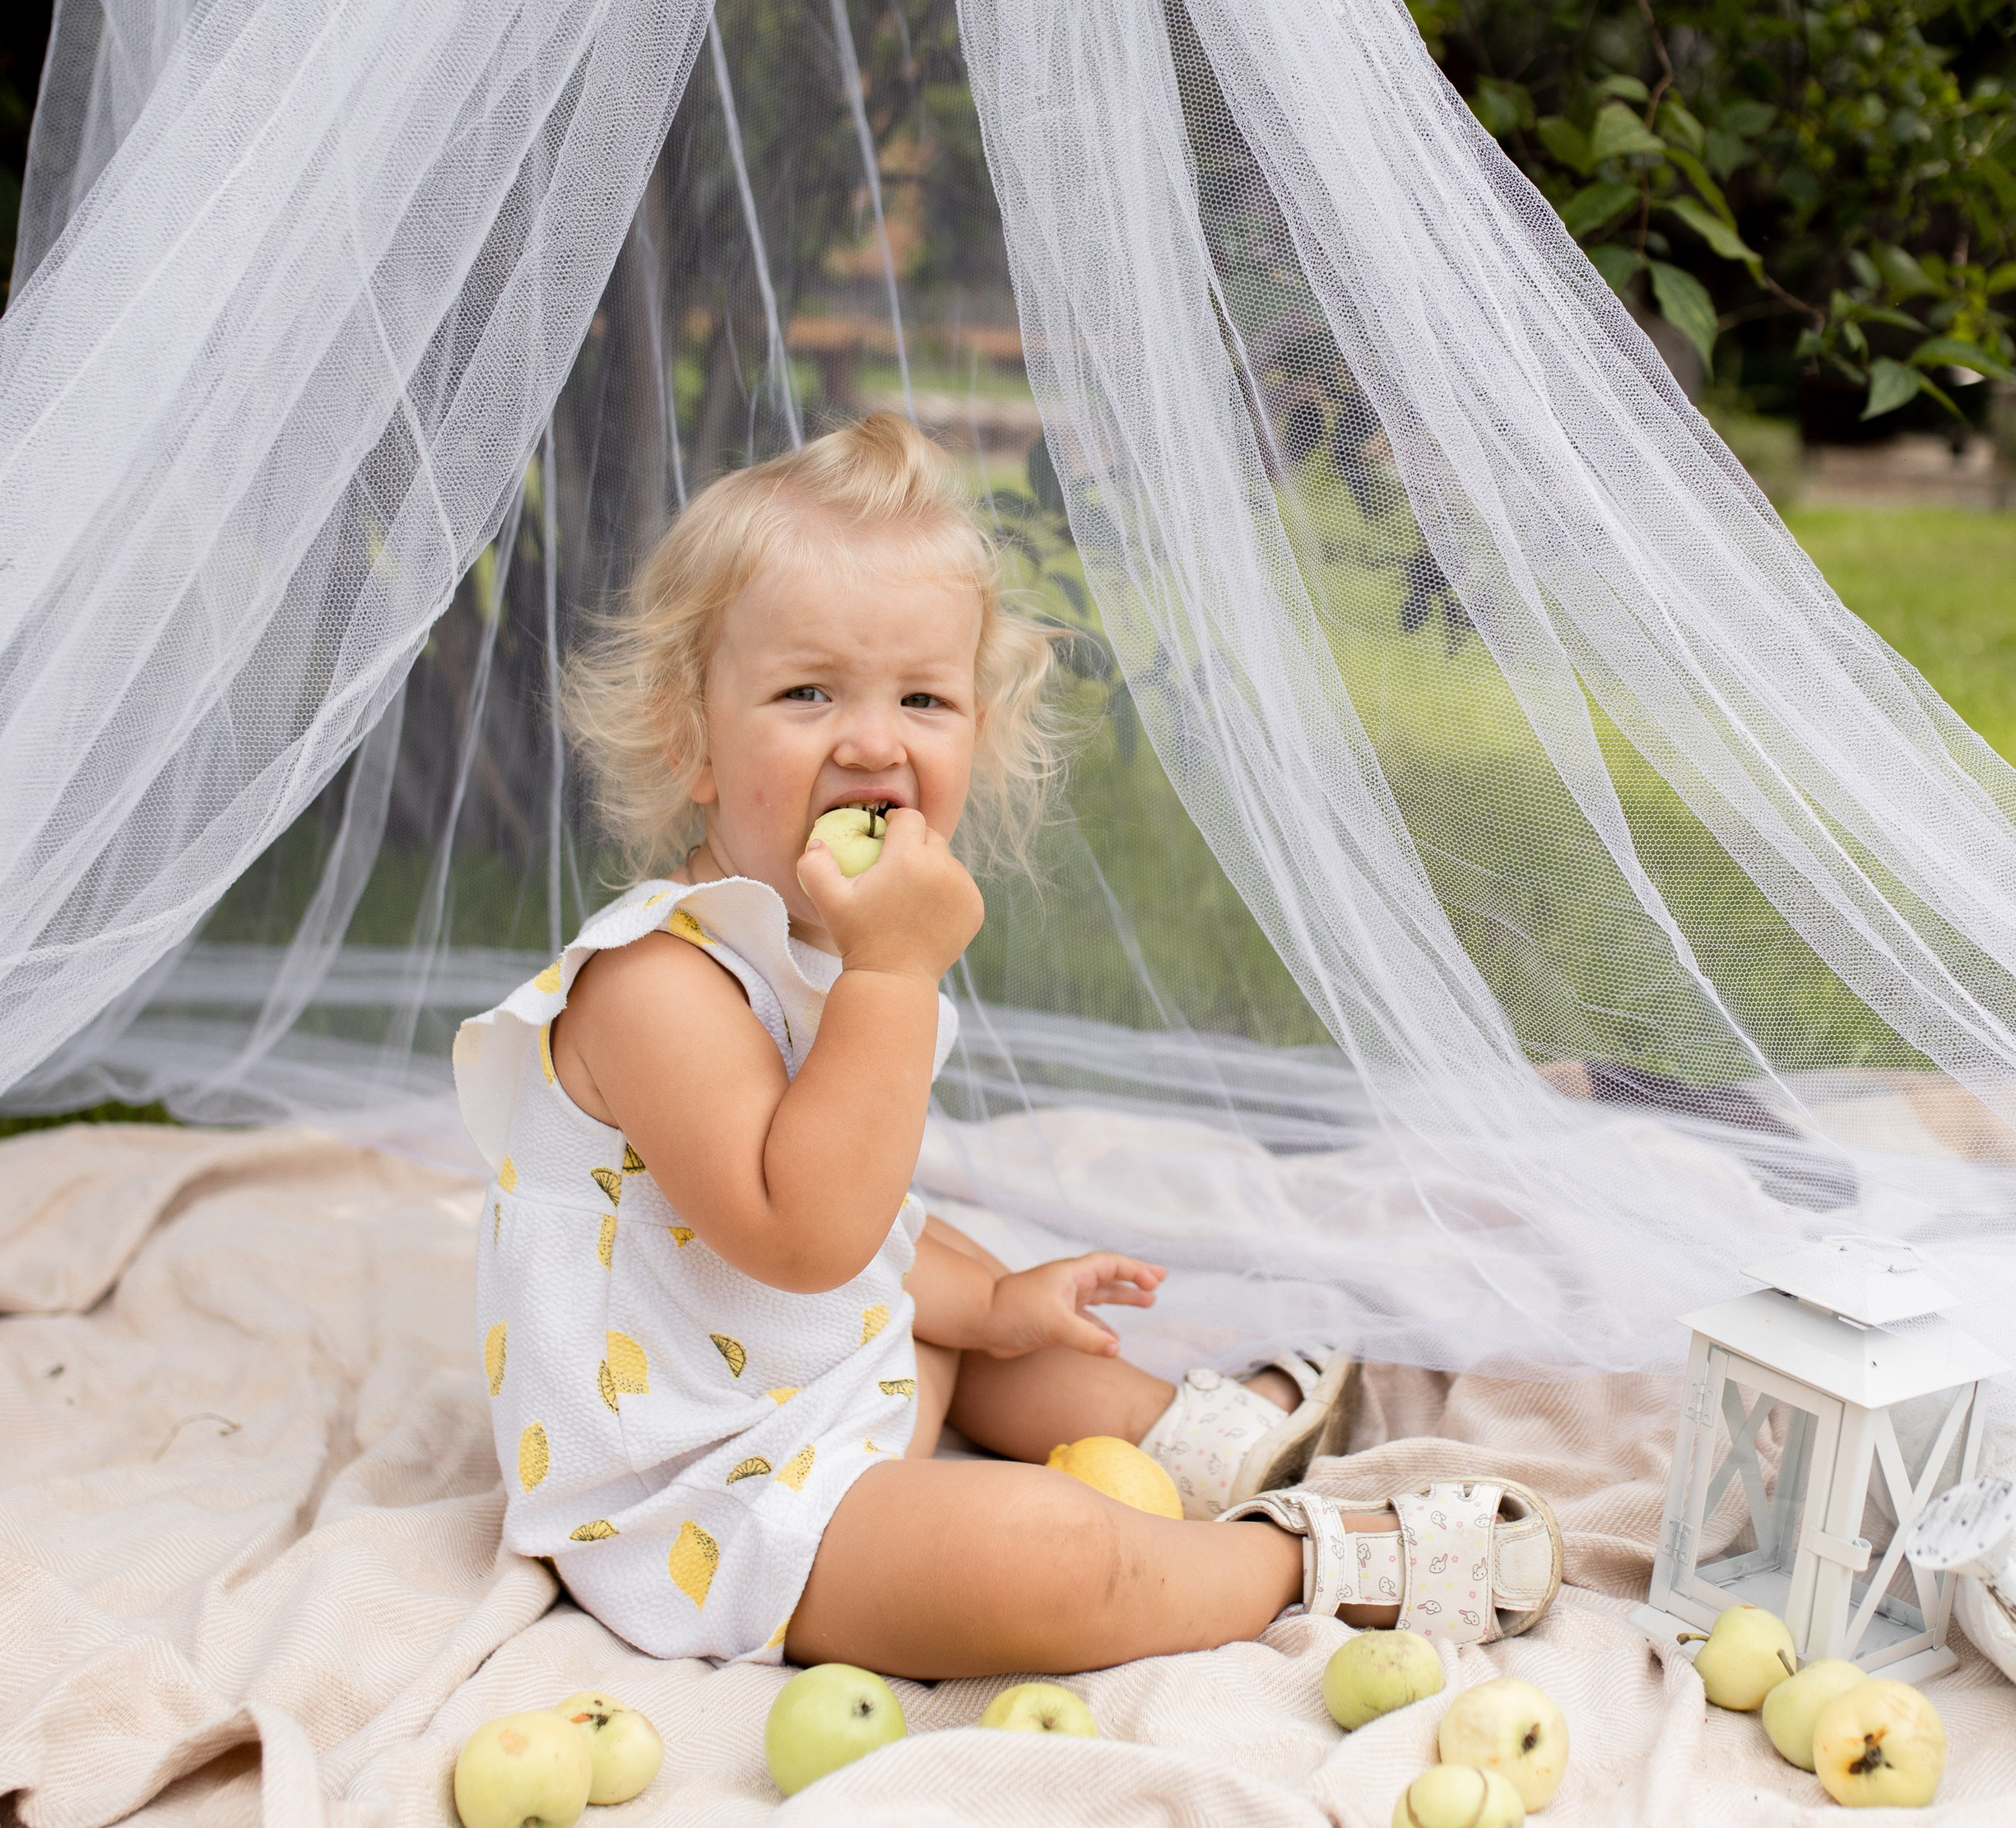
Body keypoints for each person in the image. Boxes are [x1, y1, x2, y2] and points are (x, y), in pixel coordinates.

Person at [453, 414, 1560, 1678]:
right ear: (689, 741)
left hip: (823, 1383)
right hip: (706, 1497)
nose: (873, 741)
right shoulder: (656, 983)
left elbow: (876, 1219)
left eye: (922, 699)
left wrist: (989, 1302)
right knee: (1039, 1554)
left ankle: (1182, 1442)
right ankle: (1291, 1562)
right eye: (808, 693)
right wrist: (895, 974)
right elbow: (807, 1237)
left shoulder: (820, 951)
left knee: (1008, 1341)